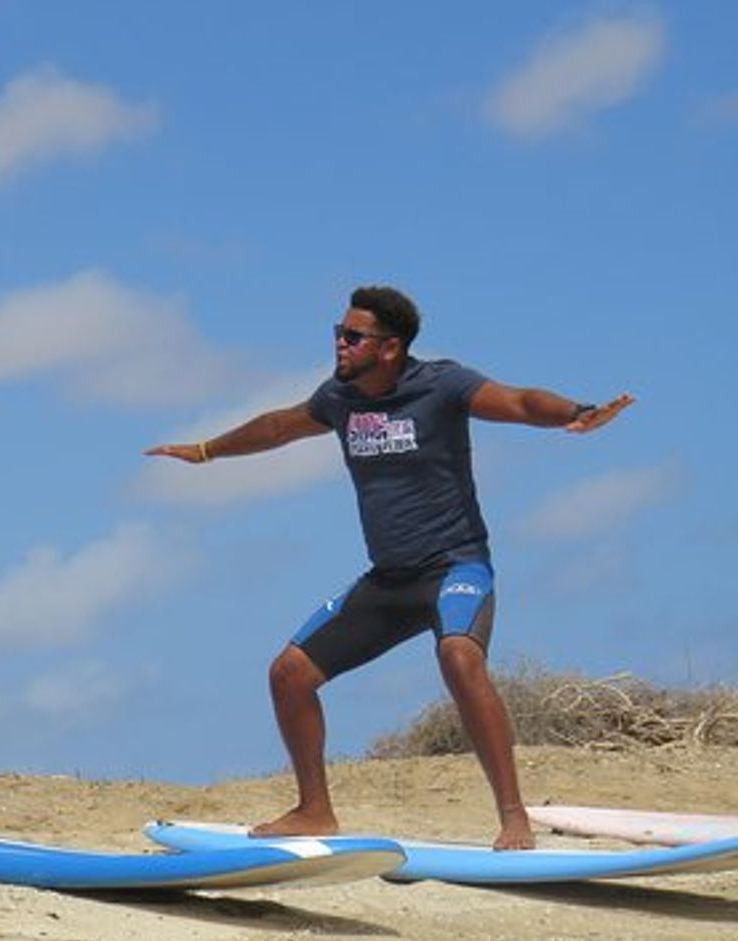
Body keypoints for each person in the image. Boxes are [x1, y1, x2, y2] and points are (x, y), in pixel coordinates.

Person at [146, 285, 633, 850]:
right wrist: (206, 450)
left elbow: (520, 402)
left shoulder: (442, 385)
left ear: (390, 347)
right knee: (290, 674)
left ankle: (513, 816)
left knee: (458, 656)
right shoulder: (339, 399)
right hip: (390, 579)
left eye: (353, 337)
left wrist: (577, 414)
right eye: (338, 334)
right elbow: (279, 426)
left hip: (456, 568)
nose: (340, 344)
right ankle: (314, 810)